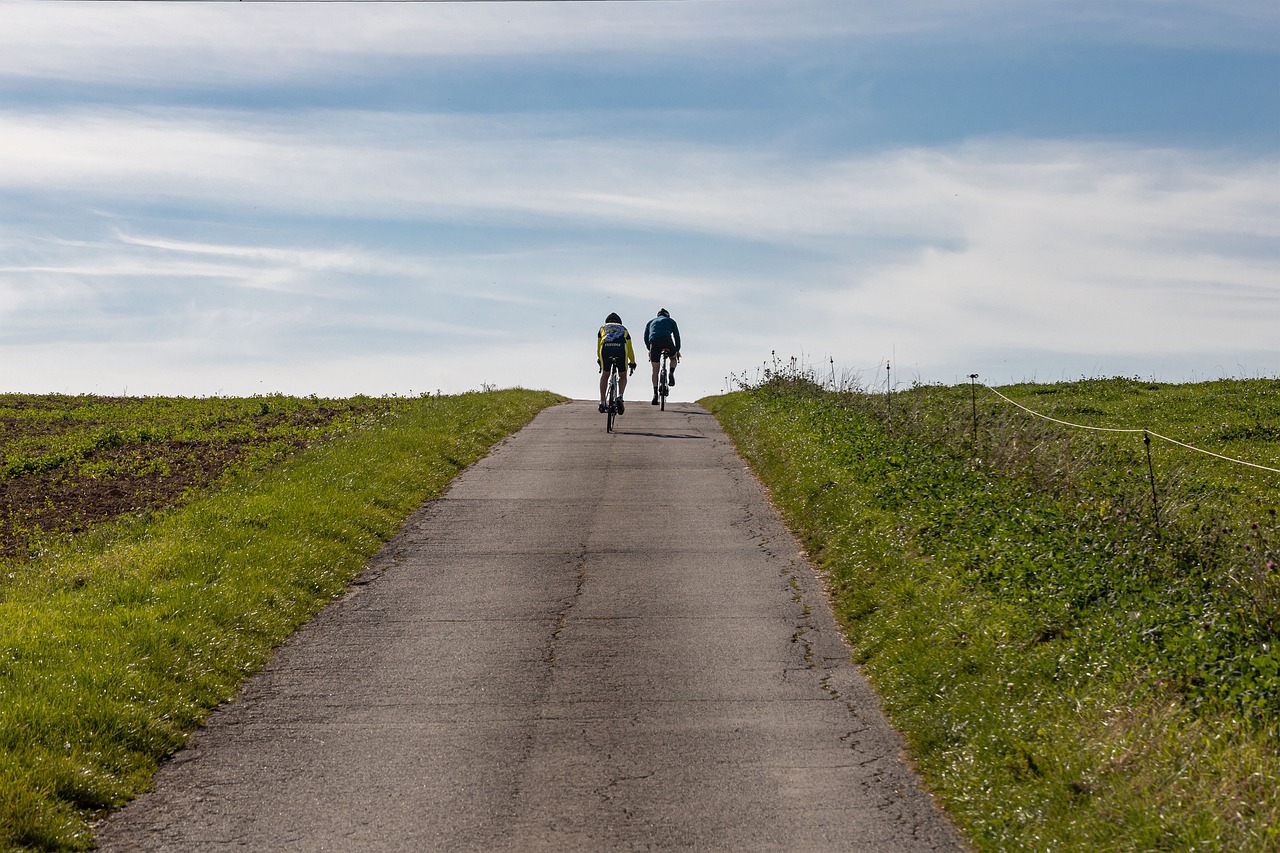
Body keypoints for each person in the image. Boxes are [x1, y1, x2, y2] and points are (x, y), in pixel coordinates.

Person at [597, 312, 636, 414]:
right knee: (622, 375)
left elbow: (598, 347)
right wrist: (632, 362)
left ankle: (602, 402)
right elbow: (629, 347)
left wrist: (600, 360)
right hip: (620, 350)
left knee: (605, 375)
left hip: (606, 350)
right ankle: (620, 396)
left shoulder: (602, 328)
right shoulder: (624, 329)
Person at [643, 308, 681, 405]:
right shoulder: (671, 321)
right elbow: (677, 335)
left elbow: (646, 337)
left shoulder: (650, 322)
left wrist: (649, 349)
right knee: (673, 358)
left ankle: (655, 394)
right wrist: (677, 350)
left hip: (654, 342)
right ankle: (671, 372)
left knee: (655, 369)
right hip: (667, 340)